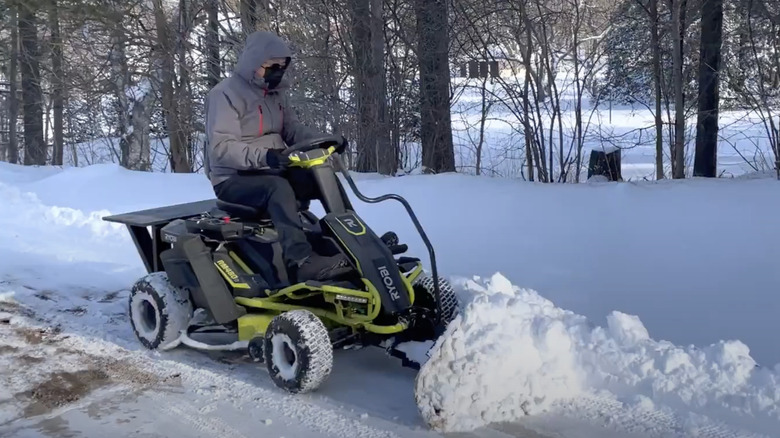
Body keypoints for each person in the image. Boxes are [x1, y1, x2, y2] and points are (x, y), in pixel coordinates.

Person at [204, 30, 350, 282]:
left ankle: (351, 241)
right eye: (271, 66)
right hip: (232, 178)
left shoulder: (276, 93)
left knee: (320, 176)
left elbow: (292, 130)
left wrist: (326, 139)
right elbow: (222, 148)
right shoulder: (224, 94)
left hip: (270, 167)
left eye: (281, 67)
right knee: (278, 187)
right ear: (253, 62)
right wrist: (267, 156)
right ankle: (301, 260)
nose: (277, 72)